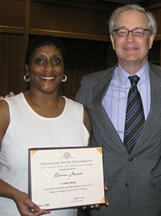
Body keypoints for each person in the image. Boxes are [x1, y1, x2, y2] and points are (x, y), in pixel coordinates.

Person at [76, 4, 161, 216]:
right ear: (113, 40)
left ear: (151, 39)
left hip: (154, 203)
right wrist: (18, 105)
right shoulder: (90, 85)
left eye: (139, 32)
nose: (130, 39)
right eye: (122, 32)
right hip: (103, 206)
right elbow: (70, 133)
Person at [0, 35, 92, 216]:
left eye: (56, 61)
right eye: (40, 61)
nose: (49, 68)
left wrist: (92, 188)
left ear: (63, 68)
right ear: (28, 68)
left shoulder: (80, 114)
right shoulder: (6, 111)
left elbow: (84, 170)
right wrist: (16, 194)